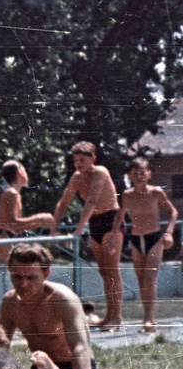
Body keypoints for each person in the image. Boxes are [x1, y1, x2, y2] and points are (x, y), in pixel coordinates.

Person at [0, 243, 95, 369]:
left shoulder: (62, 299)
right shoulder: (10, 303)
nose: (23, 284)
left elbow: (81, 348)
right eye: (17, 277)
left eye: (31, 278)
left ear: (46, 274)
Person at [53, 141, 125, 329]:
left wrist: (78, 230)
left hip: (111, 220)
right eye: (75, 160)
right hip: (95, 223)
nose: (78, 164)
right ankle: (109, 315)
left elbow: (92, 200)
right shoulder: (76, 178)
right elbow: (63, 203)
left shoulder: (100, 172)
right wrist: (54, 227)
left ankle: (116, 317)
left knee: (112, 270)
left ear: (92, 158)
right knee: (103, 272)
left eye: (82, 160)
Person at [121, 157, 177, 333]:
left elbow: (172, 212)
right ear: (130, 175)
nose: (139, 176)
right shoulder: (127, 195)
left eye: (142, 173)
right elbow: (120, 215)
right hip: (137, 238)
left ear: (149, 174)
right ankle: (146, 316)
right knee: (140, 280)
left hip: (155, 237)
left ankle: (150, 319)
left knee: (149, 279)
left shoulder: (156, 192)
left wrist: (168, 232)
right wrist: (116, 232)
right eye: (135, 173)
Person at [0, 159, 56, 262]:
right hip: (2, 238)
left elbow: (18, 228)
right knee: (22, 270)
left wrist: (40, 222)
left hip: (7, 238)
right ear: (19, 172)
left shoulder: (15, 194)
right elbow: (13, 224)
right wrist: (40, 218)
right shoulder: (11, 193)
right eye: (25, 170)